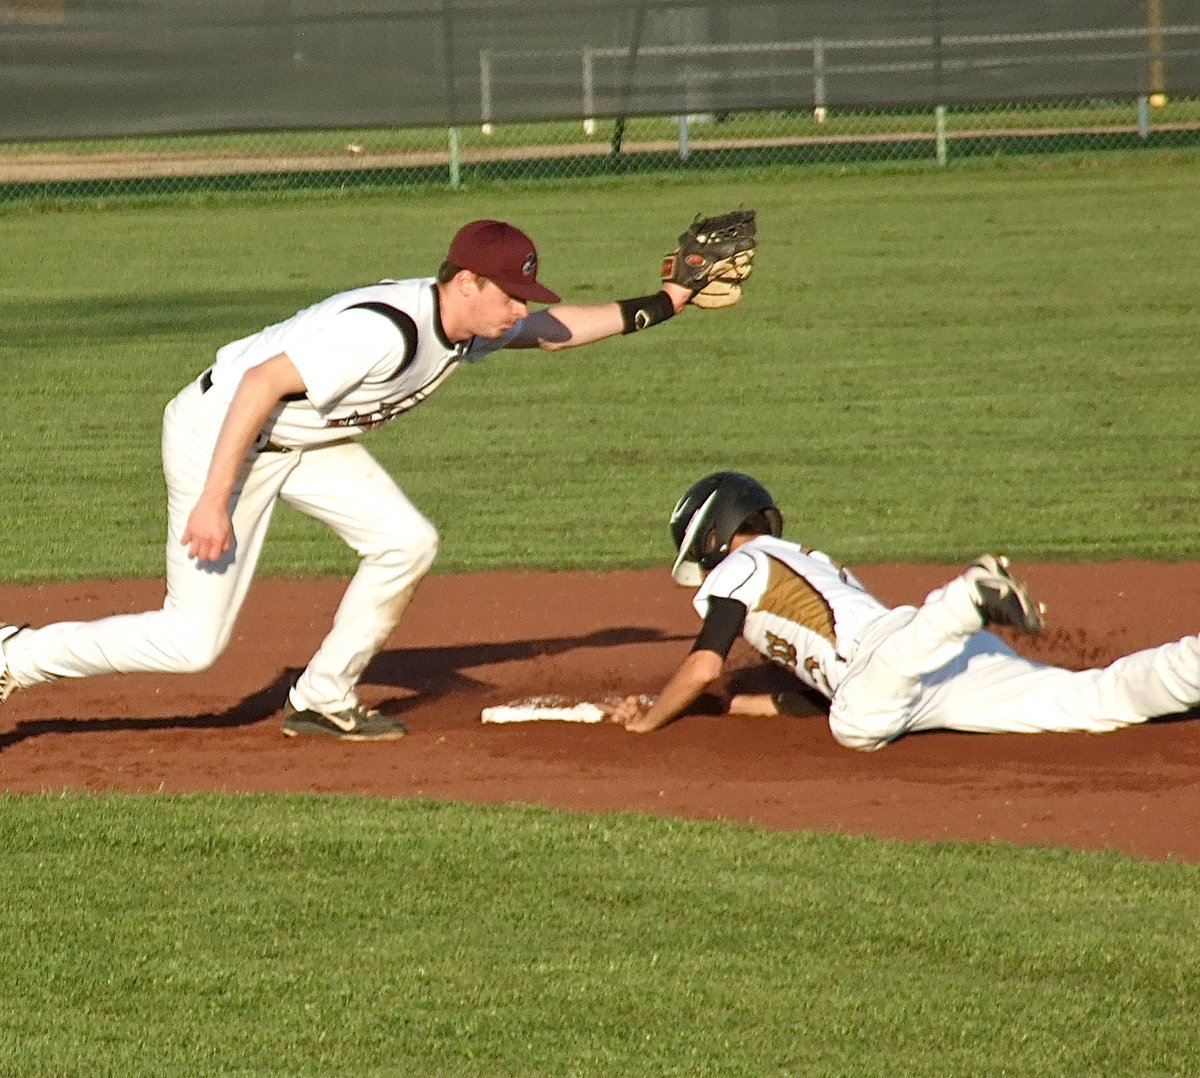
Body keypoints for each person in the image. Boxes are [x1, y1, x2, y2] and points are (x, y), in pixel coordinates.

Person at [0, 217, 745, 741]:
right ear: (463, 281)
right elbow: (260, 382)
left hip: (301, 438)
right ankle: (12, 656)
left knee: (405, 541)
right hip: (225, 434)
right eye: (511, 295)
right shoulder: (381, 330)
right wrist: (211, 501)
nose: (521, 310)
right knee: (189, 641)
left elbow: (558, 331)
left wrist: (668, 302)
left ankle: (323, 698)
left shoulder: (466, 321)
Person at [609, 471, 1200, 750]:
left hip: (895, 657)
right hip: (930, 668)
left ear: (711, 538)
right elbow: (810, 695)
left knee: (856, 725)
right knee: (1094, 700)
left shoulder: (739, 568)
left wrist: (649, 719)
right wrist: (730, 706)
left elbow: (703, 665)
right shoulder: (802, 562)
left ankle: (967, 598)